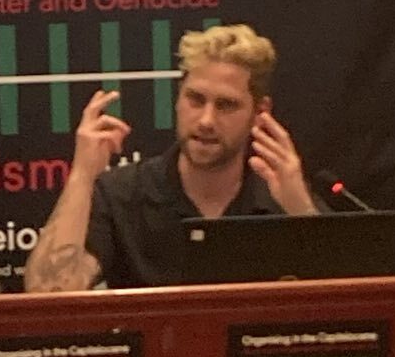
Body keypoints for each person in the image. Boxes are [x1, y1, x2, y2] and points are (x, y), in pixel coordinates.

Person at [23, 23, 317, 292]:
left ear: (260, 112)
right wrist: (81, 176)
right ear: (178, 98)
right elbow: (48, 293)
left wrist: (300, 211)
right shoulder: (120, 194)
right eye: (195, 99)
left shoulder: (283, 196)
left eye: (226, 105)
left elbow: (336, 313)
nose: (206, 120)